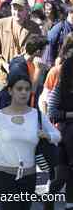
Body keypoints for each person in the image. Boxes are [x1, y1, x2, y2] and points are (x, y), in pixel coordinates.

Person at [0, 72, 60, 210]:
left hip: (28, 176)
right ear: (10, 90)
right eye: (19, 89)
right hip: (3, 175)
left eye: (27, 89)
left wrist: (47, 135)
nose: (24, 93)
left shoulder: (36, 115)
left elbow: (57, 135)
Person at [0, 0, 41, 99]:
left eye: (20, 10)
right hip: (2, 78)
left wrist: (26, 59)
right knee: (1, 112)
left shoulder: (34, 28)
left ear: (27, 11)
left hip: (23, 80)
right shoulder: (0, 24)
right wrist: (4, 64)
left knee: (20, 113)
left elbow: (38, 51)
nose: (16, 13)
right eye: (14, 9)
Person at [48, 51, 73, 210]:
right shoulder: (60, 88)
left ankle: (68, 202)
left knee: (66, 173)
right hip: (66, 132)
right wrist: (70, 114)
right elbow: (52, 111)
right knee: (64, 174)